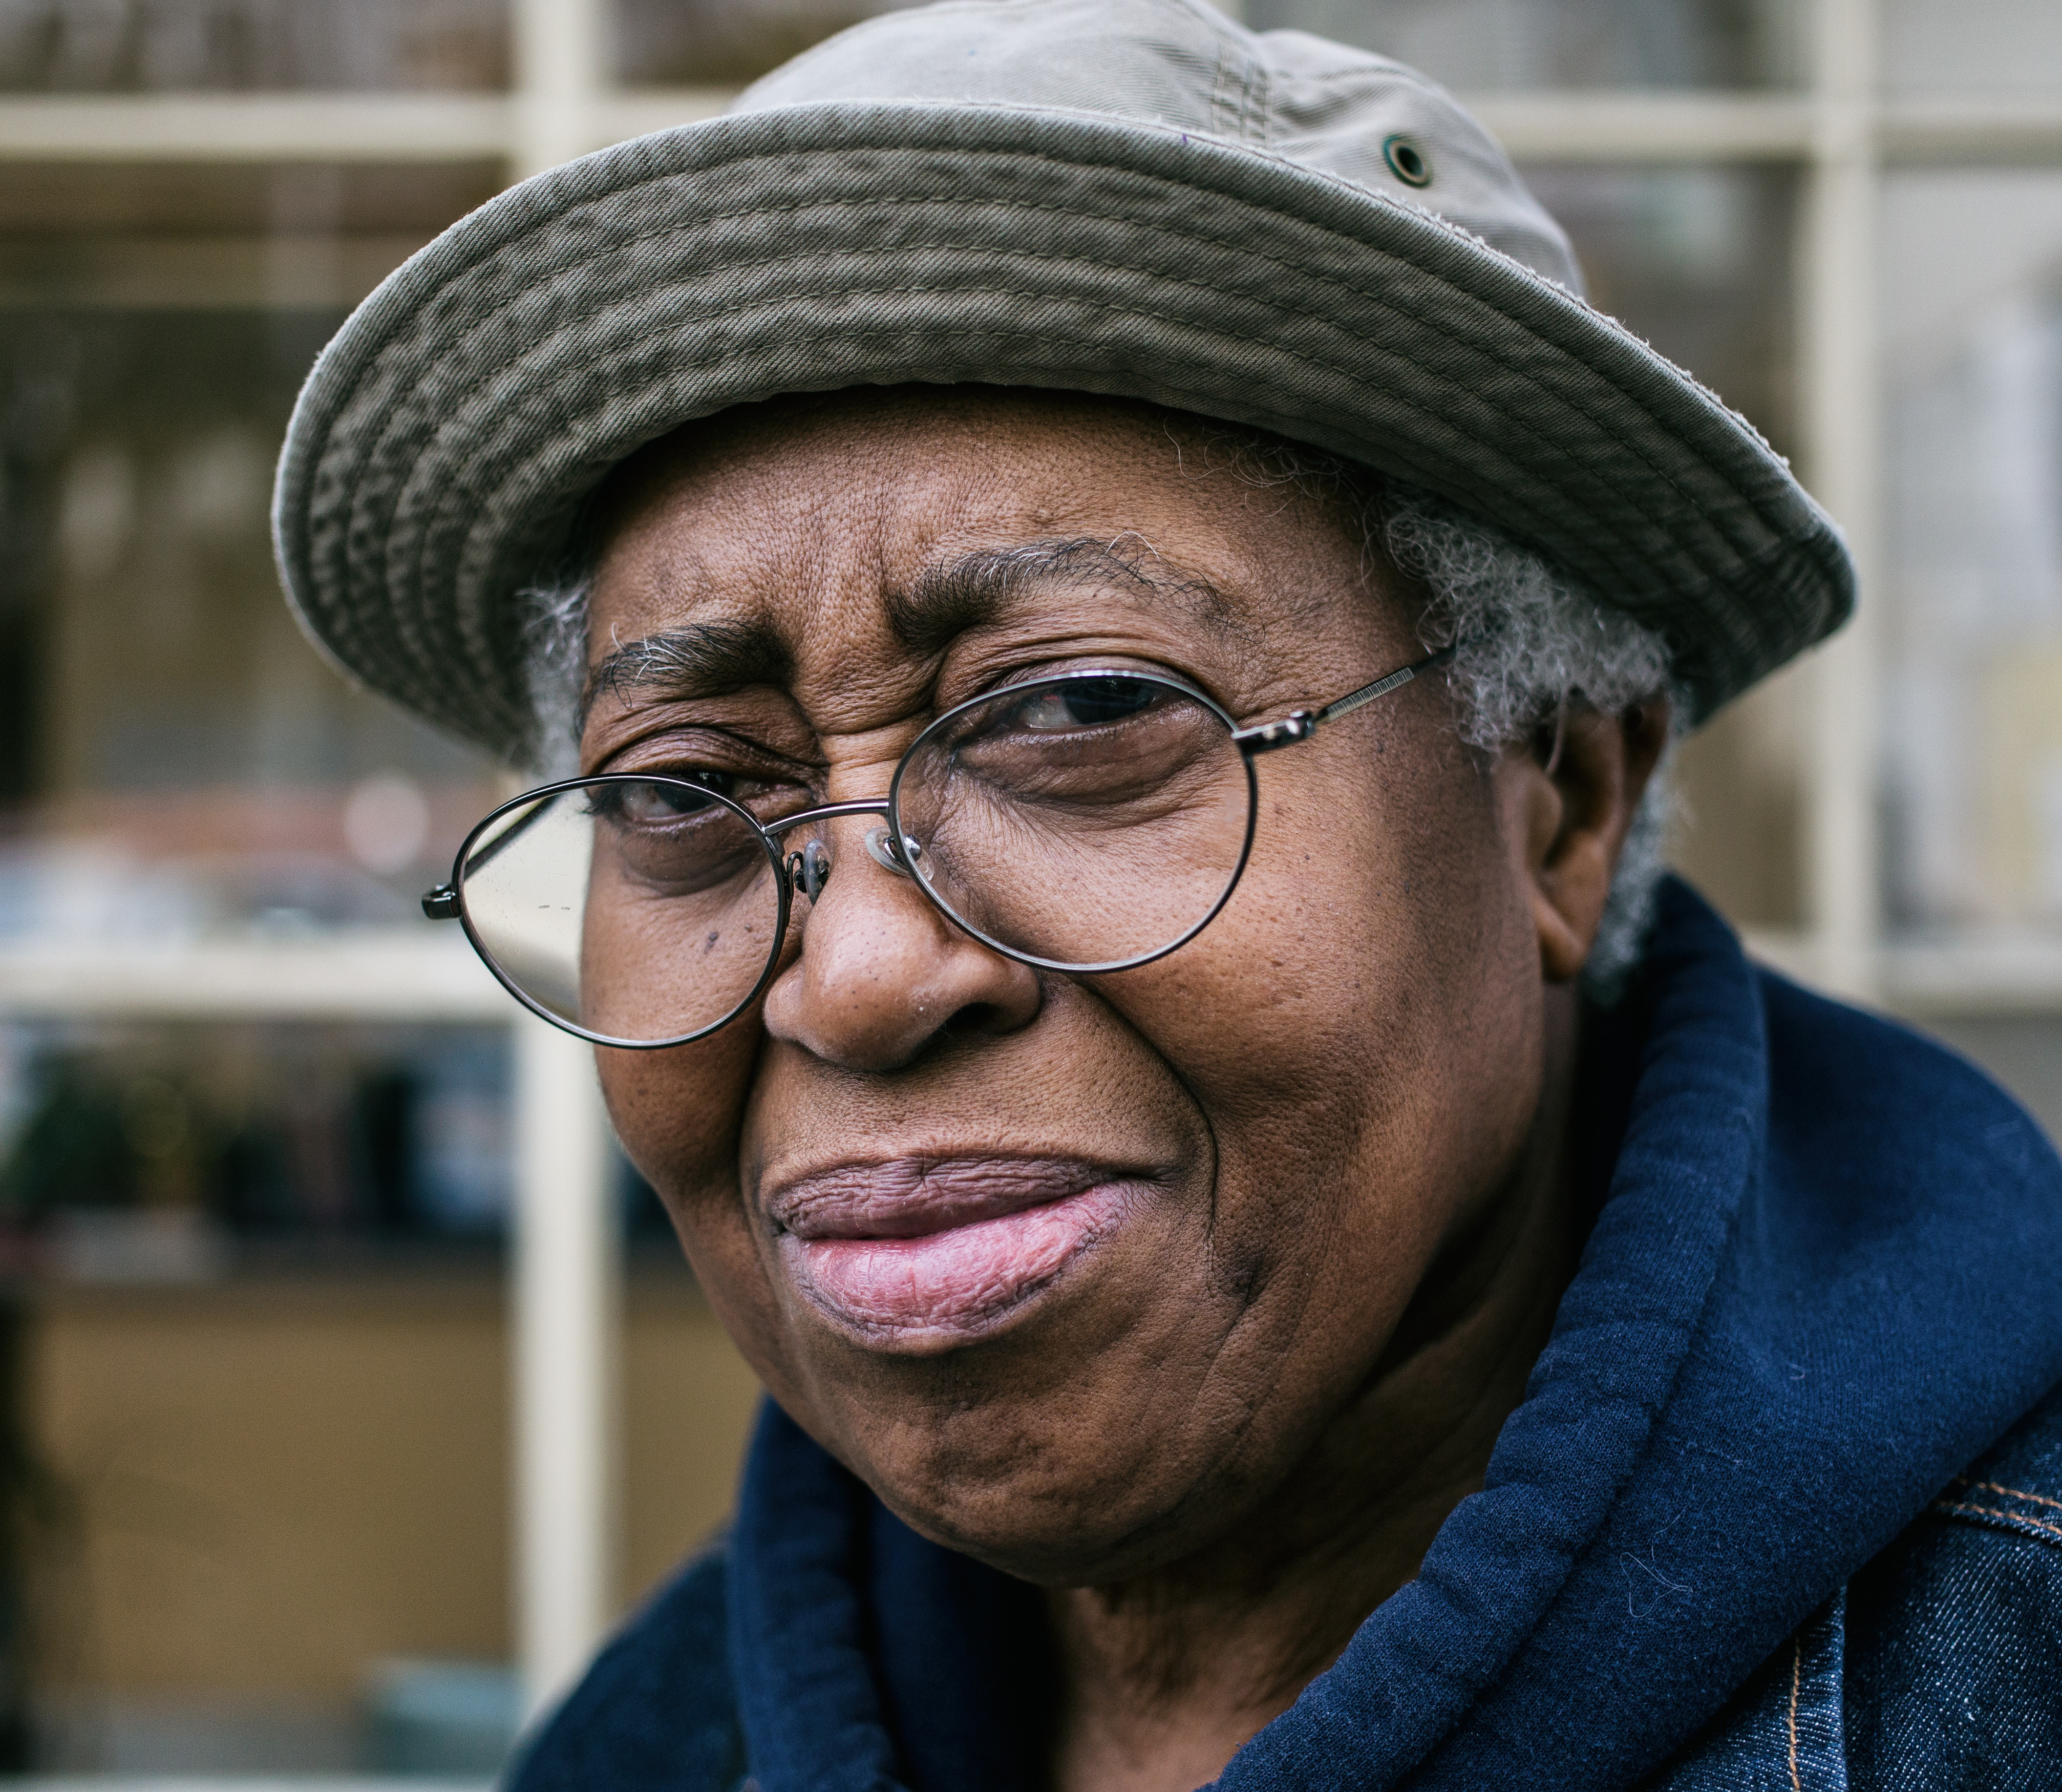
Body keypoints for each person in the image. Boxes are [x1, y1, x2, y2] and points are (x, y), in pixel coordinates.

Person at [272, 0, 2062, 1785]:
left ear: (1561, 805)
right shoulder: (649, 1749)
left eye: (1084, 712)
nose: (862, 975)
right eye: (678, 789)